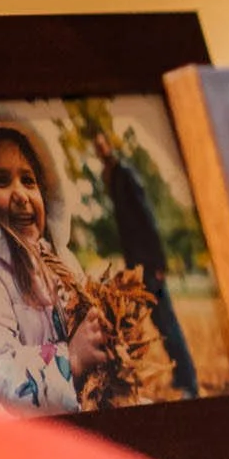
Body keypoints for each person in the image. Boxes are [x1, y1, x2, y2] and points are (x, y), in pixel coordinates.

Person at [0, 109, 107, 415]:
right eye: (1, 180)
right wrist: (71, 358)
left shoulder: (61, 260)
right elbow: (2, 369)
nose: (20, 194)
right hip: (24, 430)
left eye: (28, 180)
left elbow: (84, 322)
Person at [90, 122, 198, 398]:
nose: (100, 149)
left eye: (102, 144)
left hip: (149, 265)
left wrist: (158, 263)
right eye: (96, 146)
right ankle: (179, 377)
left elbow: (146, 217)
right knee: (154, 323)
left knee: (166, 321)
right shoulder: (112, 177)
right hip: (138, 265)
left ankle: (189, 383)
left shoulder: (125, 174)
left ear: (109, 145)